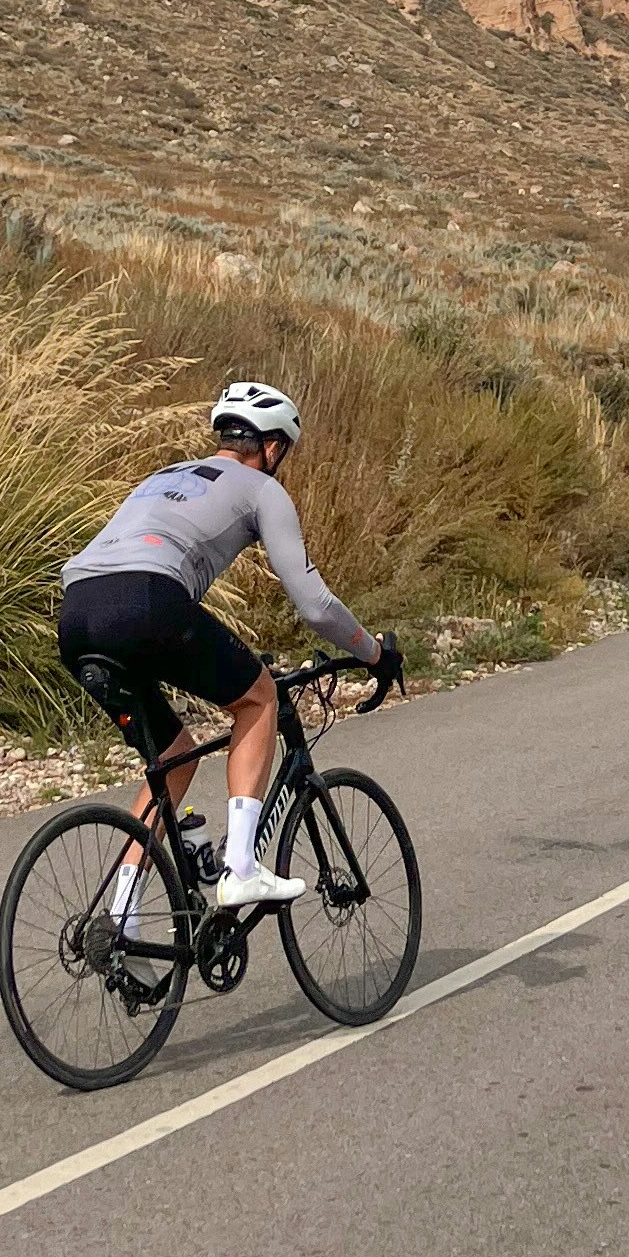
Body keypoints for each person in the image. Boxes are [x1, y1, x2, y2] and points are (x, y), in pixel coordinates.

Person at [56, 380, 397, 925]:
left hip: (76, 613)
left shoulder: (162, 476)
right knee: (258, 697)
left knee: (170, 757)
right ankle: (240, 867)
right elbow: (315, 605)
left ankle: (120, 918)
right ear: (272, 447)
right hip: (149, 600)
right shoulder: (262, 490)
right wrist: (373, 653)